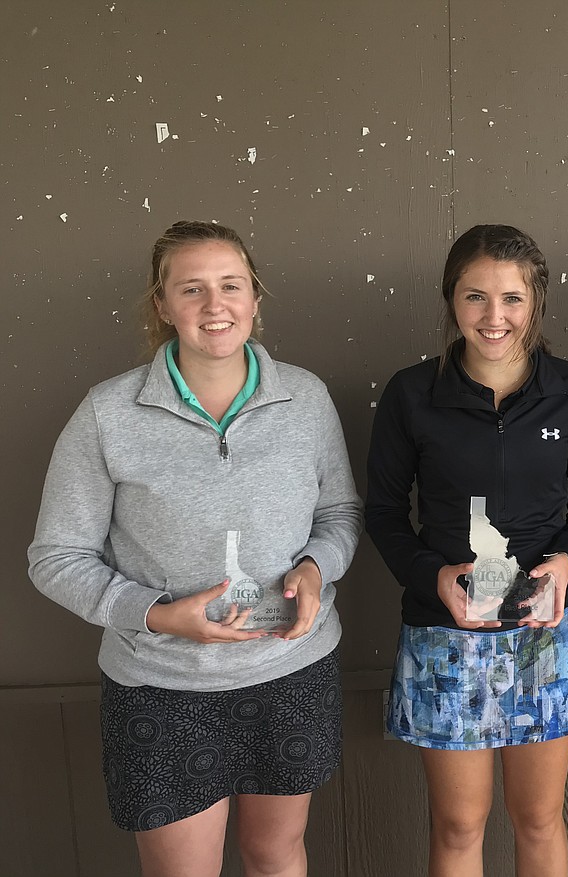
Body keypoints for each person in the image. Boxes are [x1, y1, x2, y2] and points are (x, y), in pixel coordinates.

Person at [27, 221, 362, 877]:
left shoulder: (306, 398)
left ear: (255, 297)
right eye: (192, 288)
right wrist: (157, 613)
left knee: (277, 855)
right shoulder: (107, 413)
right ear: (162, 305)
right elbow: (55, 557)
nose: (216, 306)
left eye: (231, 285)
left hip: (292, 672)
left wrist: (317, 570)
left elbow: (340, 512)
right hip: (161, 685)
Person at [365, 224, 568, 876]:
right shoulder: (412, 395)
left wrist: (567, 560)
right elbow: (384, 514)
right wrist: (434, 575)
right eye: (475, 297)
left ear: (536, 303)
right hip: (445, 635)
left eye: (512, 298)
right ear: (452, 301)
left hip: (544, 631)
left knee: (537, 818)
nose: (494, 317)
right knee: (458, 824)